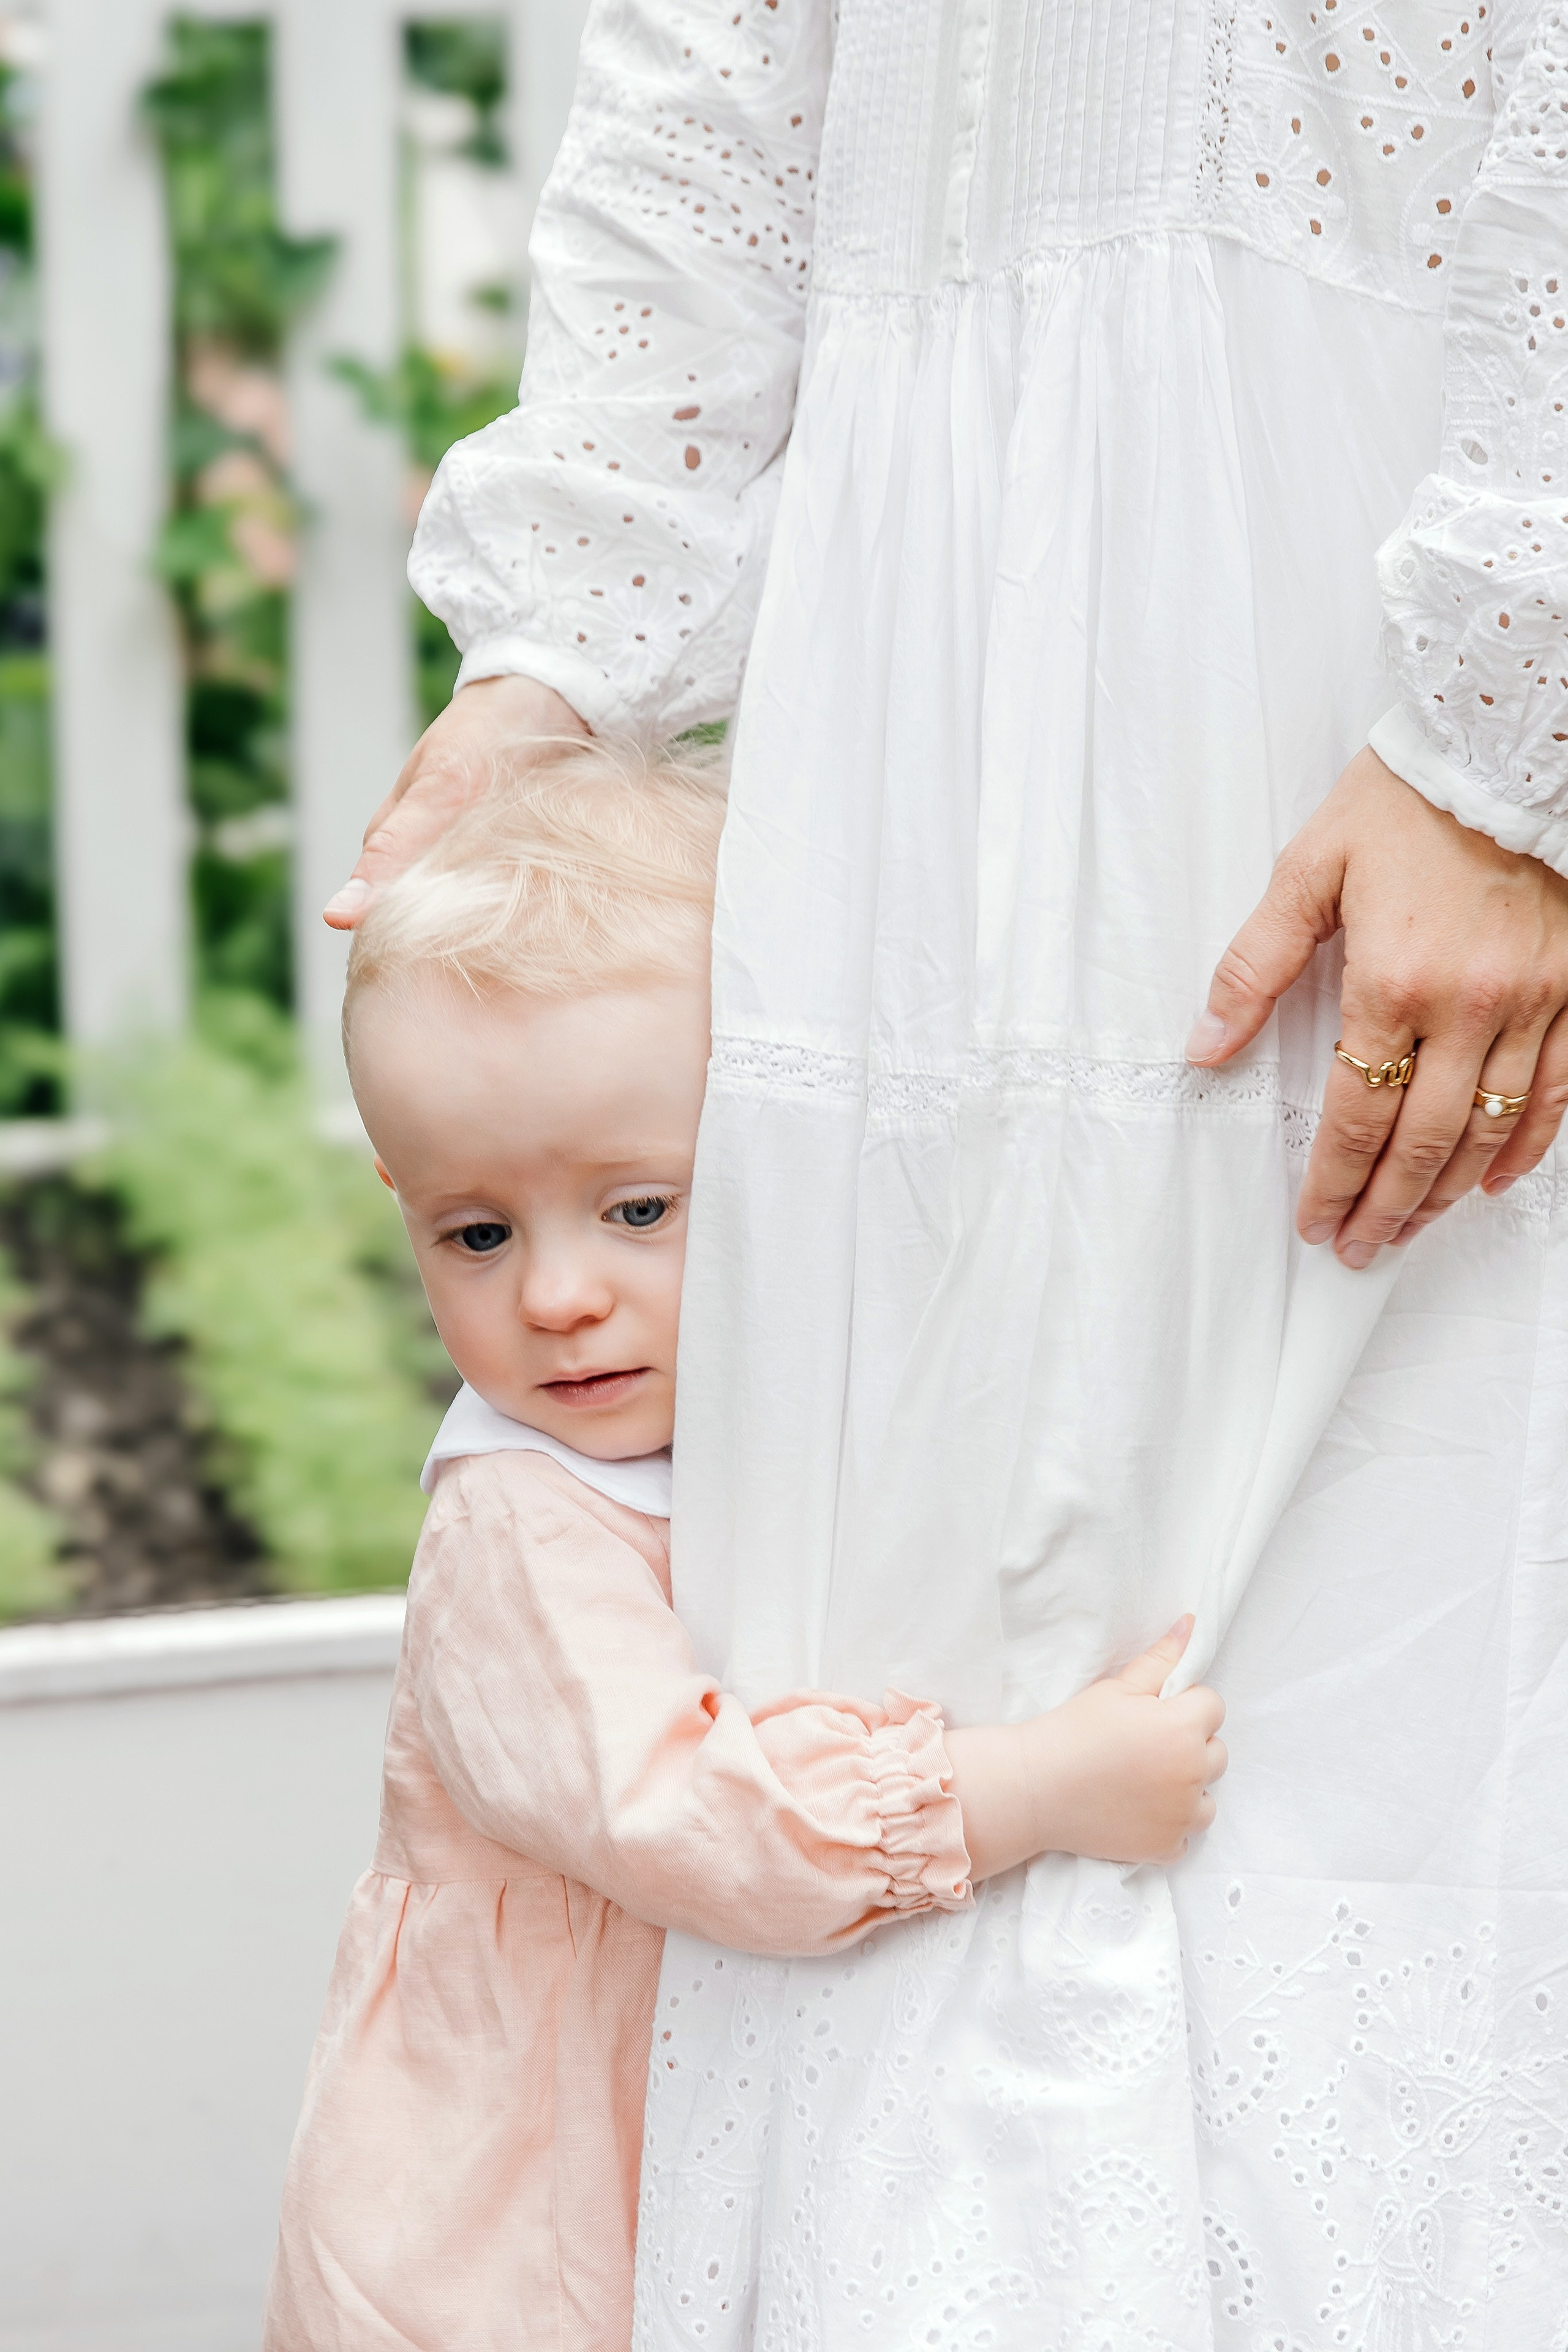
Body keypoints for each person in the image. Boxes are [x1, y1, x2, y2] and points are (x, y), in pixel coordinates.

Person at [327, 5, 1568, 2341]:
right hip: (911, 697)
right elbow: (713, 77)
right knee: (911, 1609)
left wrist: (1514, 722)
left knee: (1364, 1673)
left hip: (1335, 588)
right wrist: (558, 643)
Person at [266, 739, 1227, 2350]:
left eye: (640, 1209)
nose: (558, 1294)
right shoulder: (520, 1523)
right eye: (477, 1231)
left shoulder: (760, 1431)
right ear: (400, 1195)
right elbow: (681, 1814)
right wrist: (1037, 1787)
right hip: (506, 2221)